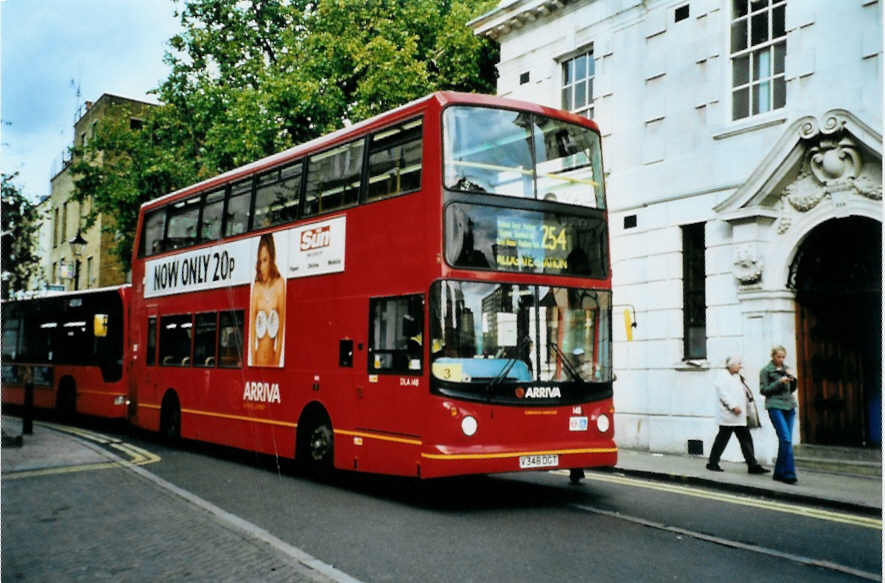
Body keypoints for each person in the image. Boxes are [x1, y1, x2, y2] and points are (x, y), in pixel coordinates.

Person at [706, 356, 769, 474]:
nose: (740, 366)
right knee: (723, 439)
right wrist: (733, 406)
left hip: (739, 415)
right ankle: (712, 463)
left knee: (745, 439)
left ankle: (752, 465)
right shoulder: (722, 377)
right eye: (738, 364)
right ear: (731, 365)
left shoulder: (737, 376)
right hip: (729, 415)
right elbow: (723, 394)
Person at [760, 345, 799, 484]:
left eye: (783, 357)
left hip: (789, 406)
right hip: (775, 406)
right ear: (773, 356)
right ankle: (788, 473)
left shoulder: (786, 369)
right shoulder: (766, 371)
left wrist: (793, 379)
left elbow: (791, 389)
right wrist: (778, 382)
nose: (781, 359)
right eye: (778, 357)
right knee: (786, 439)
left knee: (786, 441)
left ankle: (779, 472)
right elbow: (763, 390)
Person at [249, 233, 286, 367]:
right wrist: (253, 364)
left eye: (265, 260)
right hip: (257, 361)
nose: (261, 267)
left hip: (273, 362)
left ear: (271, 260)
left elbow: (281, 333)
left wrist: (276, 363)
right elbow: (252, 334)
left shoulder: (280, 285)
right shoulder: (256, 288)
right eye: (260, 261)